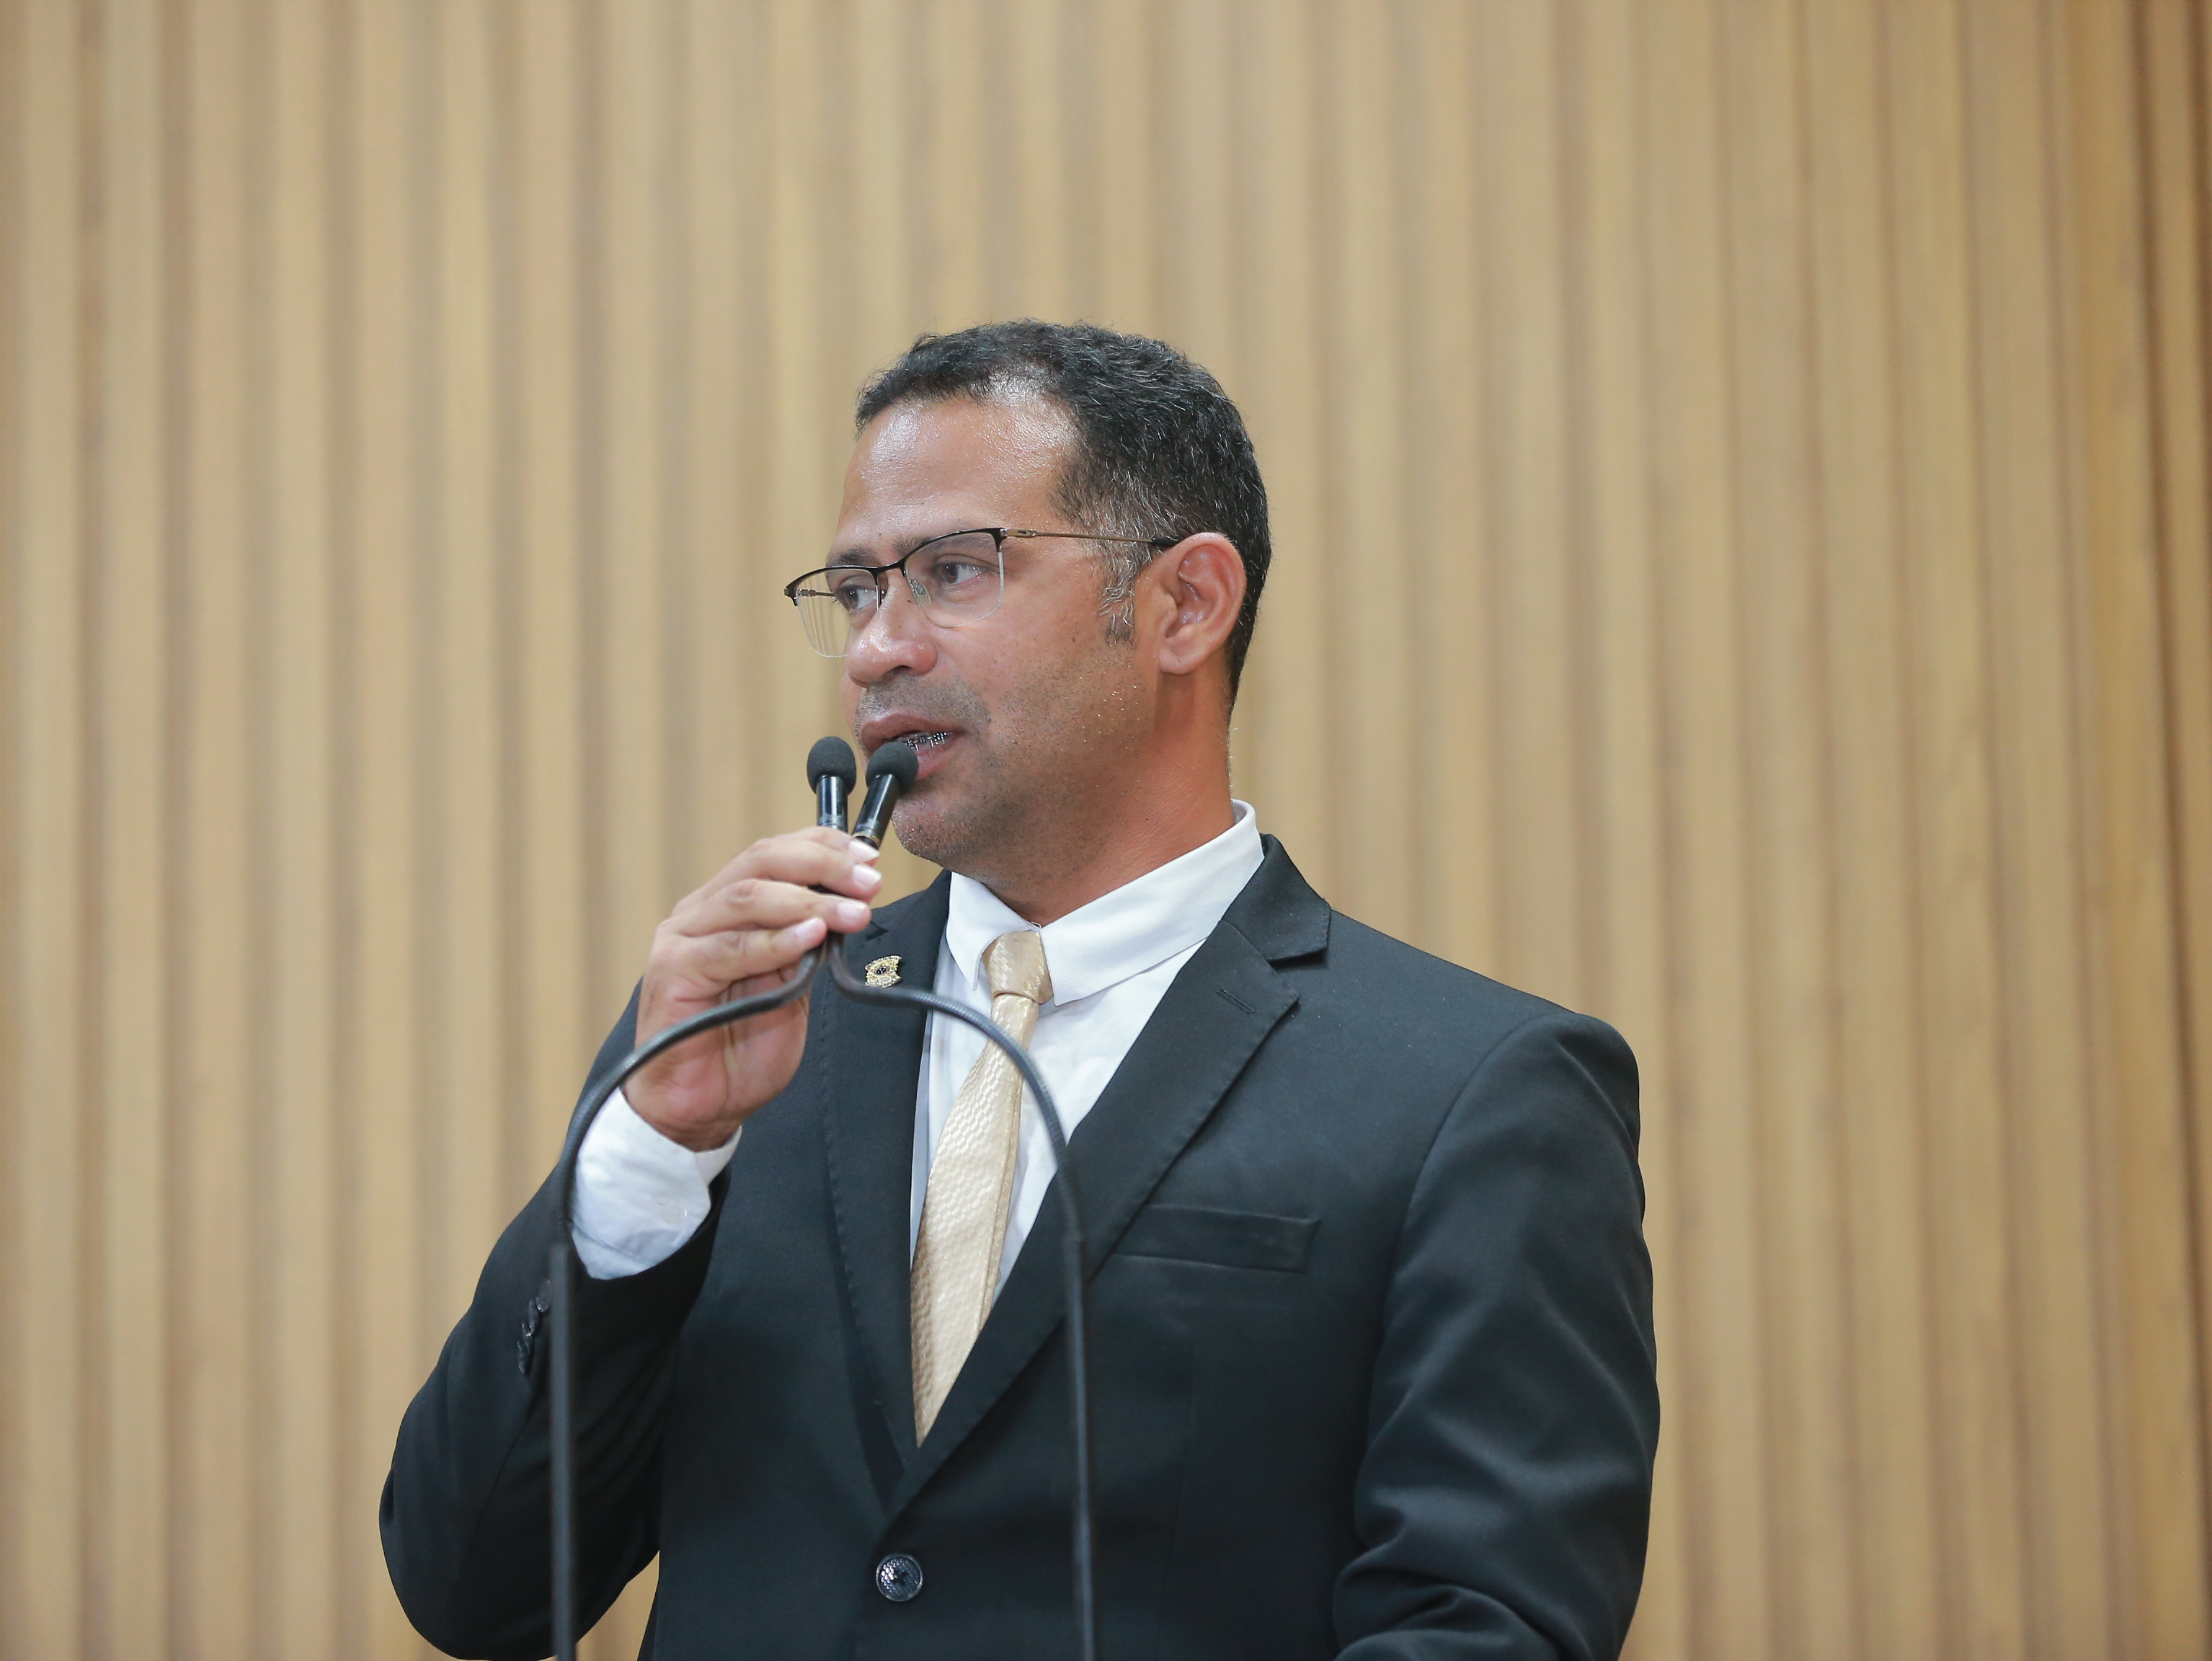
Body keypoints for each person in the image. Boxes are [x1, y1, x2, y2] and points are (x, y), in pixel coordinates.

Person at [380, 322, 1658, 1660]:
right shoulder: (749, 1033)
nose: (875, 650)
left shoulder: (1474, 1092)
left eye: (951, 571)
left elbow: (1482, 1625)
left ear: (1185, 605)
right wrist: (650, 1154)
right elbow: (473, 1587)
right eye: (856, 590)